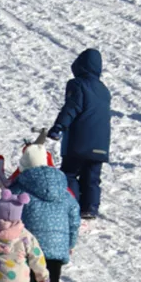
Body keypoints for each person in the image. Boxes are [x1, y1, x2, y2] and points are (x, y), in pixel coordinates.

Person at [8, 143, 80, 282]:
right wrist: (70, 244)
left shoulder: (19, 188)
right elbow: (74, 219)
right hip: (57, 246)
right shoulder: (64, 190)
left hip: (30, 247)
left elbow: (9, 216)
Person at [47, 48, 111, 219]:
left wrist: (58, 127)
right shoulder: (104, 90)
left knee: (69, 173)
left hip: (80, 141)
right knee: (92, 177)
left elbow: (71, 108)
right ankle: (90, 208)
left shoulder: (77, 84)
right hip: (101, 144)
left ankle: (72, 206)